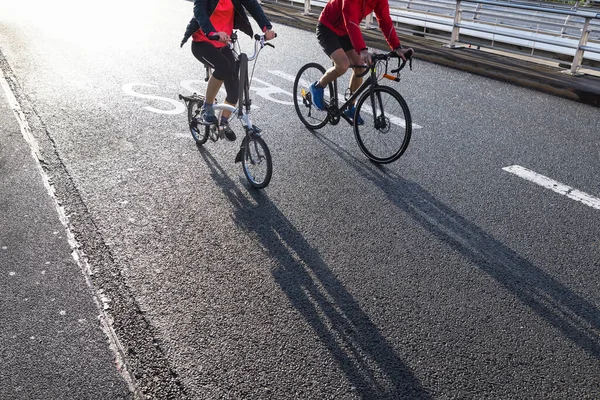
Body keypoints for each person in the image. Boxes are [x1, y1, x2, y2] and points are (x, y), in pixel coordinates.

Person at [181, 0, 276, 141]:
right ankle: (207, 107)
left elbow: (253, 5)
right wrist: (212, 32)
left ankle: (223, 123)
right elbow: (199, 11)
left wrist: (266, 27)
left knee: (233, 92)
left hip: (223, 44)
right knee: (223, 67)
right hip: (202, 42)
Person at [310, 0, 413, 125]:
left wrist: (397, 48)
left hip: (346, 31)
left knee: (360, 67)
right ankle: (317, 87)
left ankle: (351, 106)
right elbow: (351, 21)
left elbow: (385, 20)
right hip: (328, 27)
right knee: (343, 65)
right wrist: (363, 50)